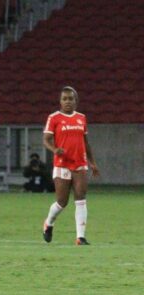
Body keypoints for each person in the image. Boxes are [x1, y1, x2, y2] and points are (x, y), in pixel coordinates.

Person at [42, 86, 100, 245]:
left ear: (76, 101)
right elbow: (46, 140)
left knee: (81, 197)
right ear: (60, 102)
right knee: (62, 202)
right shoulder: (54, 118)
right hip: (62, 164)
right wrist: (55, 149)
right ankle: (49, 223)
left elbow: (86, 143)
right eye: (64, 99)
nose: (68, 101)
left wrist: (92, 162)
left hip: (80, 163)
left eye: (71, 99)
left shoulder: (81, 118)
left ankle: (80, 237)